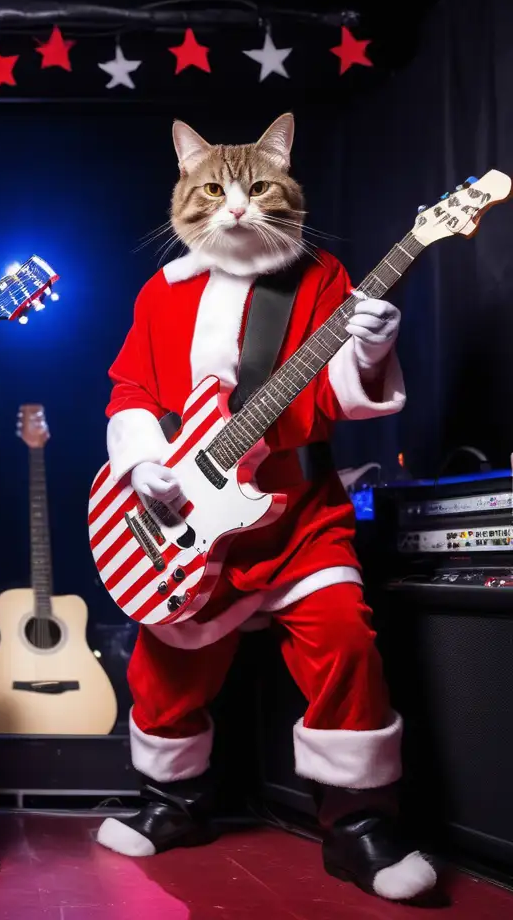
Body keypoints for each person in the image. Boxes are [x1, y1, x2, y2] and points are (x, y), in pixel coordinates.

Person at [95, 114, 438, 902]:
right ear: (186, 193)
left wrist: (371, 349)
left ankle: (358, 826)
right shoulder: (160, 292)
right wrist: (144, 462)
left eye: (257, 188)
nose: (238, 207)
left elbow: (337, 397)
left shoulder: (319, 278)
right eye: (215, 191)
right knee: (167, 663)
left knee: (346, 643)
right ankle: (172, 801)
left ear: (286, 187)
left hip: (297, 509)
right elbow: (131, 392)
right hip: (189, 515)